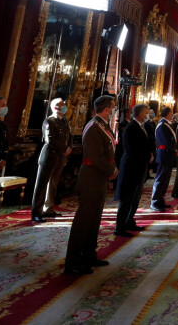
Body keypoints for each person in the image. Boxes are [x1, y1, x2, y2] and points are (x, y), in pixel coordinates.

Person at [64, 95, 118, 275]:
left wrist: (110, 169)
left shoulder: (102, 125)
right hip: (91, 176)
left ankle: (88, 254)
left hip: (99, 177)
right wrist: (111, 170)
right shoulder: (93, 126)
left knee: (94, 219)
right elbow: (95, 156)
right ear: (106, 108)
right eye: (112, 107)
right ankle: (73, 261)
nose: (113, 110)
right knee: (84, 220)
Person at [31, 97, 72, 222]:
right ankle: (36, 212)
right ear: (55, 107)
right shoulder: (49, 121)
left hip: (60, 158)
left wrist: (69, 148)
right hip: (49, 156)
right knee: (42, 185)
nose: (65, 107)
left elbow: (69, 135)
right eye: (62, 105)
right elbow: (50, 139)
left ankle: (48, 208)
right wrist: (64, 148)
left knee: (53, 184)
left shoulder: (64, 120)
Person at [115, 103, 152, 236]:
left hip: (140, 166)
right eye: (146, 112)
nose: (147, 115)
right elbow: (132, 149)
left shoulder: (141, 126)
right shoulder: (131, 128)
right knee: (127, 198)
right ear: (140, 113)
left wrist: (149, 155)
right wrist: (147, 155)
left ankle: (129, 221)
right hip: (131, 167)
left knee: (135, 198)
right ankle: (119, 227)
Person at [150, 106, 178, 212]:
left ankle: (160, 200)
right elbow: (165, 141)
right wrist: (175, 150)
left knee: (165, 180)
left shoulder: (167, 124)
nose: (172, 115)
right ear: (167, 114)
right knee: (160, 179)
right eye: (171, 113)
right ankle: (155, 202)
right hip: (164, 155)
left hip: (168, 155)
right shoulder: (162, 125)